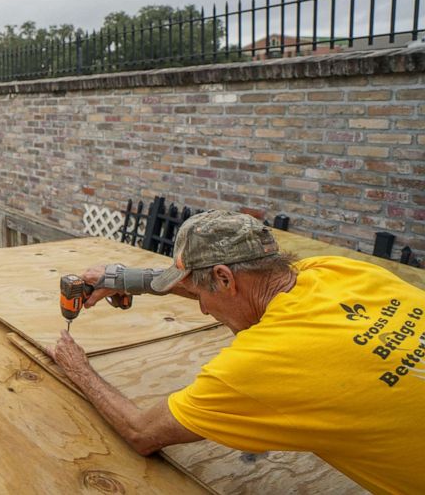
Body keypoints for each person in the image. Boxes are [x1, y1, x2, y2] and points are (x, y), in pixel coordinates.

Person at [49, 210, 425, 494]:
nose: (203, 309)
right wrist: (123, 278)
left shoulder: (264, 364)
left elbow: (141, 432)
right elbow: (218, 287)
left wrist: (78, 368)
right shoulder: (337, 271)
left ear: (226, 278)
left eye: (202, 295)